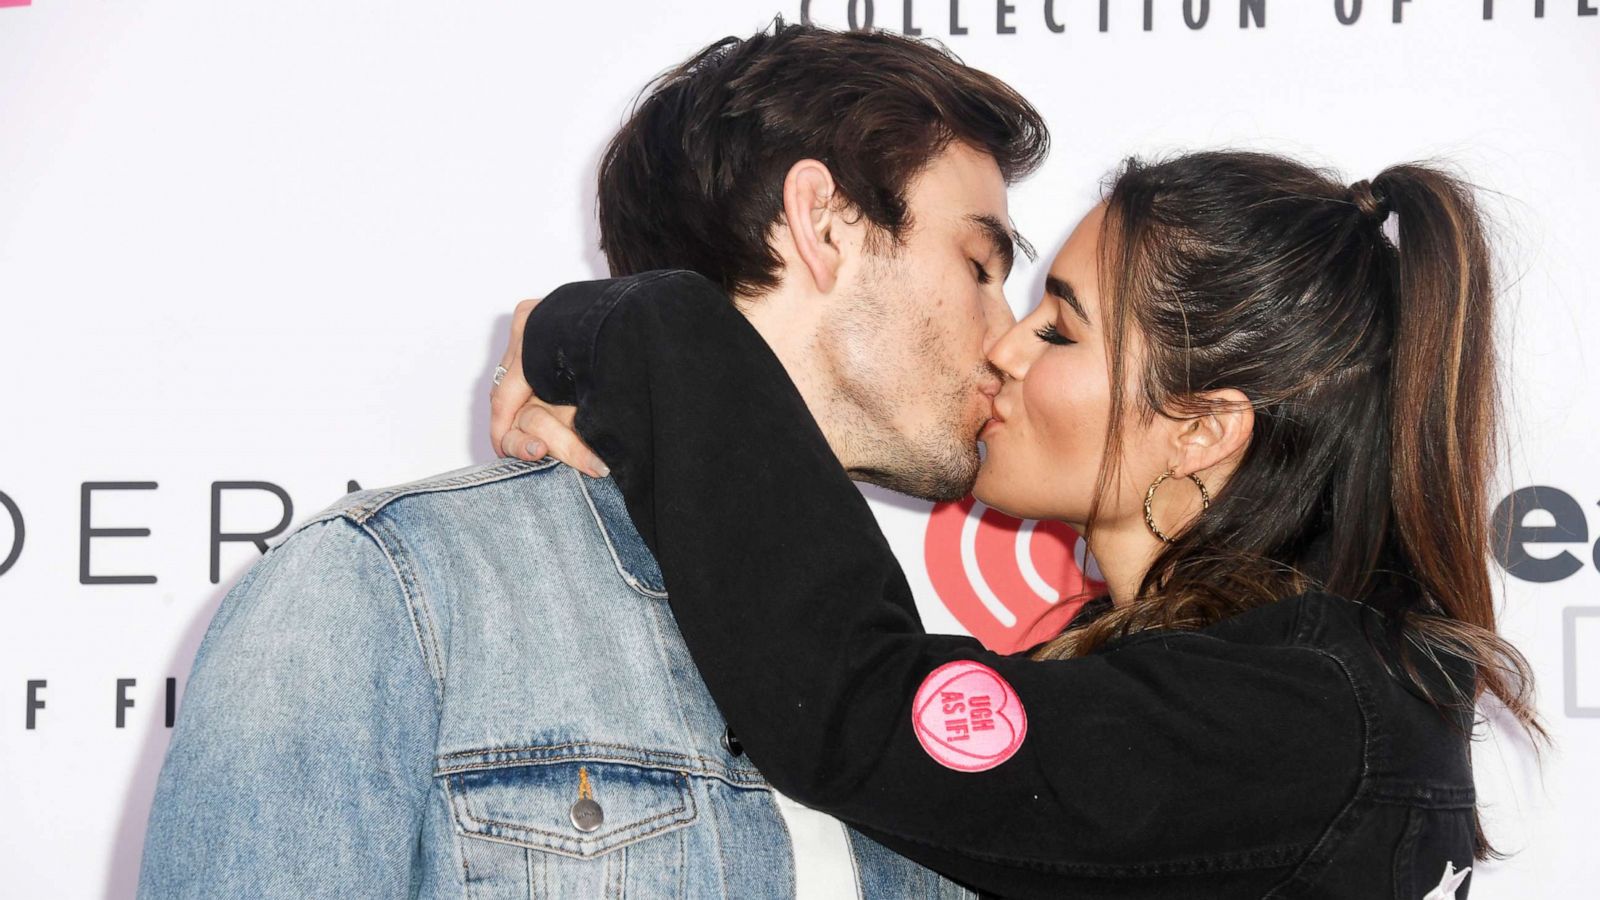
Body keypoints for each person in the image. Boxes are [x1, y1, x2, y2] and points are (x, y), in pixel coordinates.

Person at [136, 22, 1045, 899]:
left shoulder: (927, 684)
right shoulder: (383, 595)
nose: (1007, 340)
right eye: (978, 264)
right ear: (825, 223)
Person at [495, 151, 1547, 898]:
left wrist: (643, 327)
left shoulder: (1295, 713)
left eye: (1060, 326)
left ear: (1201, 430)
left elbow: (854, 708)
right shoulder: (1227, 677)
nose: (1004, 349)